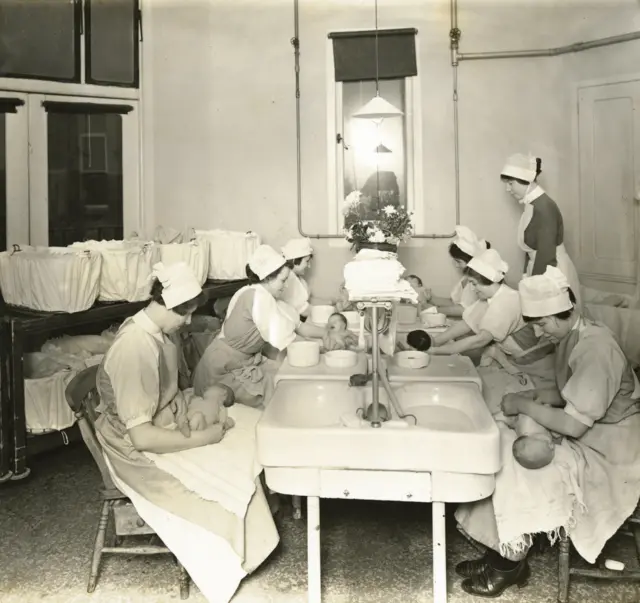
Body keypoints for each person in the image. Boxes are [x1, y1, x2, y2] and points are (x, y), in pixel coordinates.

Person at [95, 262, 279, 603]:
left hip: (166, 418)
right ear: (172, 306)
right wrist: (204, 438)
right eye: (187, 314)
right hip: (135, 448)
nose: (190, 322)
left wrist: (202, 408)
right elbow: (142, 437)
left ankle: (258, 531)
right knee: (228, 465)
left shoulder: (157, 331)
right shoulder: (133, 347)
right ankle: (230, 553)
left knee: (250, 426)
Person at [454, 266, 640, 597]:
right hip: (594, 428)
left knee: (519, 463)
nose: (539, 334)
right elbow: (576, 393)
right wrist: (536, 398)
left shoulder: (597, 348)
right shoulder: (577, 334)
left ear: (557, 315)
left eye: (540, 324)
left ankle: (510, 563)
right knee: (500, 438)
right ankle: (501, 545)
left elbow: (573, 423)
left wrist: (526, 407)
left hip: (612, 449)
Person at [193, 244, 327, 407]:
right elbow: (289, 341)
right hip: (223, 370)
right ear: (268, 277)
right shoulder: (258, 297)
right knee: (282, 393)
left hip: (244, 362)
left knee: (285, 379)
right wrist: (324, 347)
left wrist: (327, 334)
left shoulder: (267, 296)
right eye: (282, 280)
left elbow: (298, 326)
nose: (285, 286)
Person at [429, 248, 556, 412]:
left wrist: (436, 351)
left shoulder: (507, 300)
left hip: (535, 366)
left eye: (475, 284)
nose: (473, 289)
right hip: (515, 360)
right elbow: (466, 324)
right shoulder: (489, 298)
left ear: (488, 280)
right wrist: (435, 341)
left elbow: (480, 339)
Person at [500, 153, 582, 309]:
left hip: (552, 272)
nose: (507, 189)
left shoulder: (544, 207)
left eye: (511, 183)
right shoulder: (532, 204)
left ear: (526, 181)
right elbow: (532, 249)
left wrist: (534, 288)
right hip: (540, 269)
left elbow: (546, 254)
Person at [431, 225, 489, 317]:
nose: (457, 266)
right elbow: (453, 302)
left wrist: (434, 310)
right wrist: (430, 298)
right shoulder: (465, 278)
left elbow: (464, 309)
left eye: (459, 262)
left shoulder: (476, 281)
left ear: (471, 260)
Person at [281, 237, 314, 320]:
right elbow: (304, 310)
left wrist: (332, 301)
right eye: (307, 261)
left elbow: (307, 301)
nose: (309, 266)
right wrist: (333, 310)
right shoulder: (288, 280)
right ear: (295, 261)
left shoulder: (299, 279)